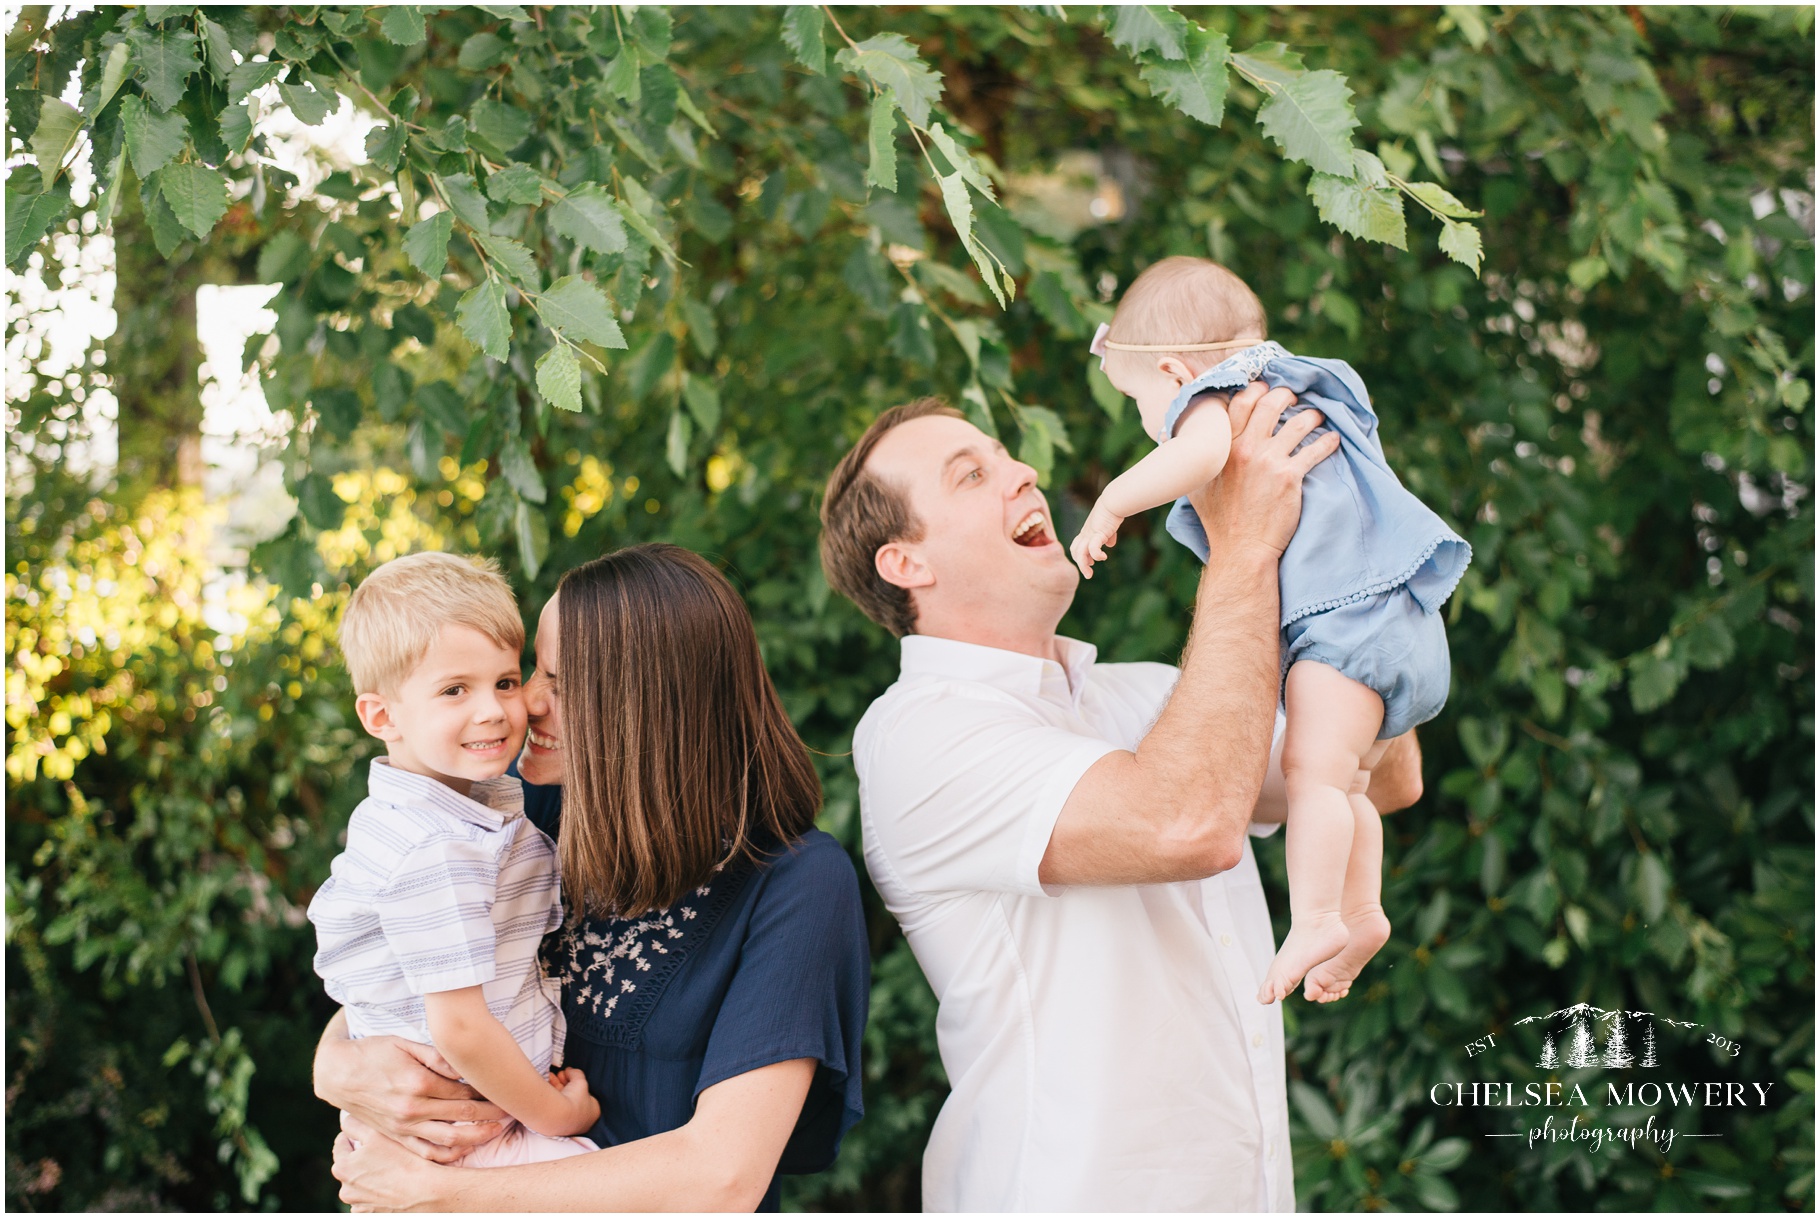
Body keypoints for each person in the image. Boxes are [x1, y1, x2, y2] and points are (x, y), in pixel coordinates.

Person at [818, 385, 1424, 1212]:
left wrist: (1337, 550)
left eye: (1007, 454)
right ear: (906, 563)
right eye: (971, 475)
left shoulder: (1154, 697)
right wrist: (1244, 542)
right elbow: (1189, 824)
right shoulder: (916, 737)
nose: (1023, 472)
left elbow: (1385, 775)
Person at [317, 544, 871, 1212]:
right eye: (532, 672)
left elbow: (722, 1177)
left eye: (559, 680)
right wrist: (339, 1068)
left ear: (645, 705)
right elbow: (399, 973)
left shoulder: (797, 885)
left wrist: (443, 1193)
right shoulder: (527, 816)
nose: (526, 703)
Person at [1072, 256, 1470, 1005]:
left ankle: (1317, 915)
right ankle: (1362, 912)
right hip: (1406, 627)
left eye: (1136, 400)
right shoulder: (1299, 384)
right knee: (1348, 781)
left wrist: (1113, 505)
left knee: (1316, 777)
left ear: (1171, 368)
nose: (1145, 419)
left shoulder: (1213, 400)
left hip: (1342, 632)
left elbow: (1198, 453)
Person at [308, 551, 598, 1167]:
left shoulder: (466, 810)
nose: (492, 709)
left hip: (473, 1117)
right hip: (460, 1132)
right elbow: (459, 1027)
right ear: (382, 716)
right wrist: (558, 1116)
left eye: (505, 681)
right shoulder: (436, 846)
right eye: (454, 690)